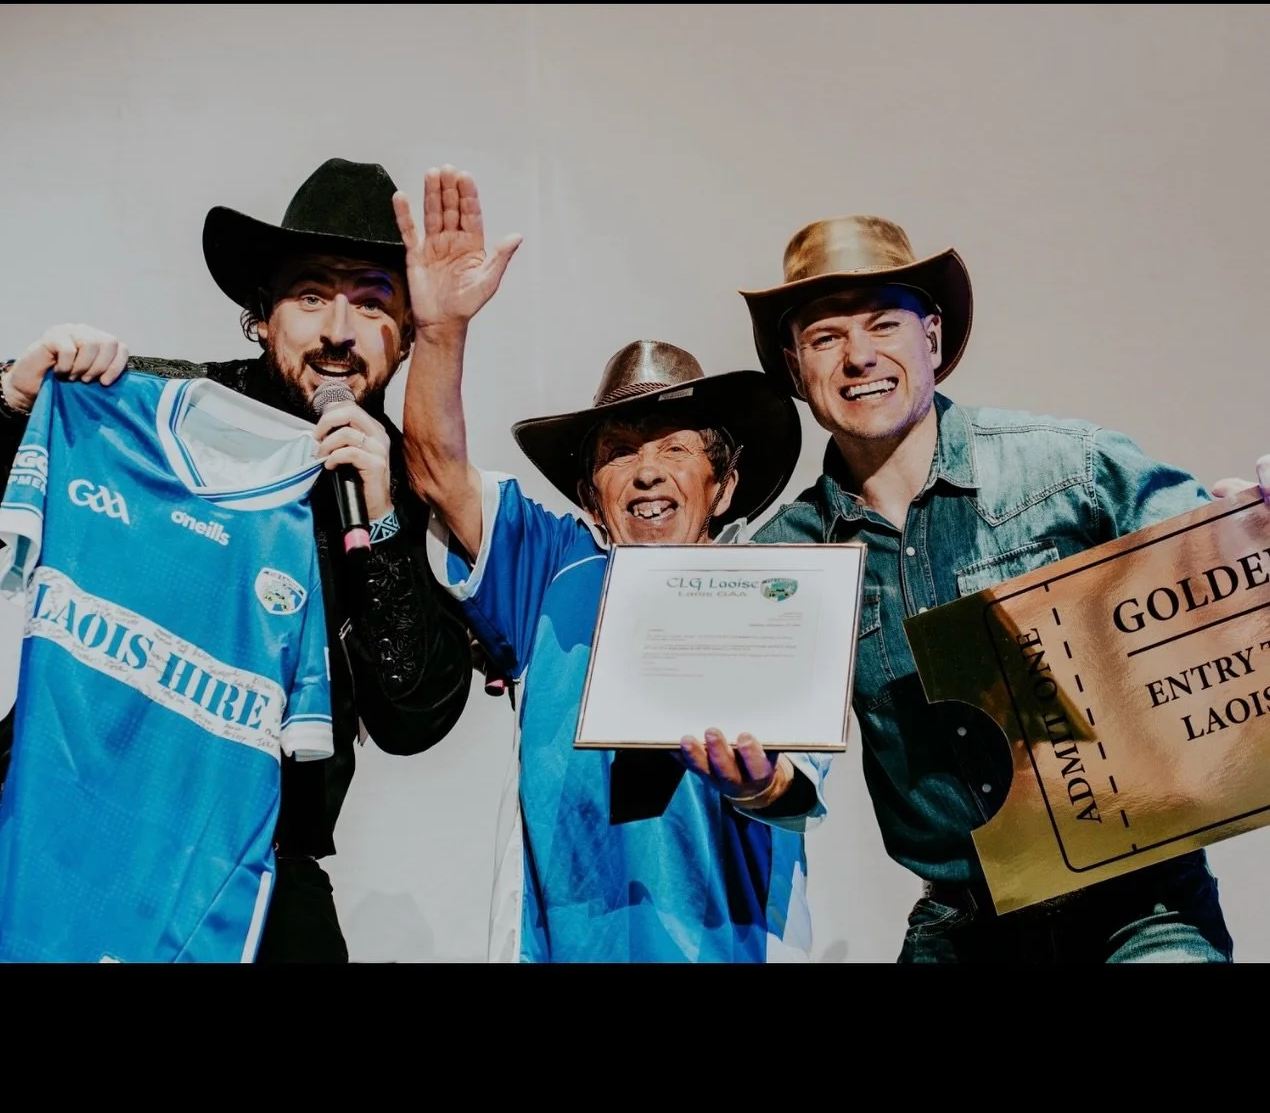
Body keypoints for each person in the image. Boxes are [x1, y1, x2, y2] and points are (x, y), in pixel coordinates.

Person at [0, 157, 475, 962]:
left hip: (259, 865)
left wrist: (385, 519)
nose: (338, 329)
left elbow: (415, 717)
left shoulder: (409, 482)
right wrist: (17, 401)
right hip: (79, 820)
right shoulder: (143, 411)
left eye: (371, 301)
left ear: (404, 336)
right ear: (261, 314)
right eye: (312, 295)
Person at [741, 212, 1246, 963]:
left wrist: (1247, 536)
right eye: (825, 338)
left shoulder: (1071, 468)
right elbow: (788, 767)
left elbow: (1224, 592)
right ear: (794, 366)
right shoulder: (787, 559)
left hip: (1140, 904)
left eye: (884, 325)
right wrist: (758, 785)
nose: (859, 356)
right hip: (964, 926)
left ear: (932, 338)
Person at [396, 165, 829, 962]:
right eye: (621, 451)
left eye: (676, 448)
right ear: (591, 494)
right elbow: (436, 471)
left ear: (725, 485)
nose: (648, 471)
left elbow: (797, 782)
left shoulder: (773, 595)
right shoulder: (550, 570)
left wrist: (758, 782)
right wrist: (441, 331)